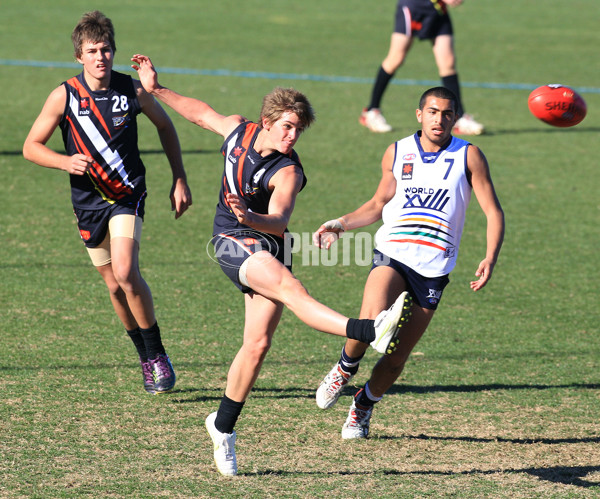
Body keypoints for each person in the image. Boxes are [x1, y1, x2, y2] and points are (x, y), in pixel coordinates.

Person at [131, 54, 413, 476]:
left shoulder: (288, 172)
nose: (293, 135)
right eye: (287, 126)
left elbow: (279, 221)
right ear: (266, 121)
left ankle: (222, 426)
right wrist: (156, 90)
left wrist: (251, 216)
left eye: (298, 129)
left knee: (258, 345)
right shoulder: (237, 130)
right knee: (292, 292)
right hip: (229, 242)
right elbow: (200, 113)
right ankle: (369, 330)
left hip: (267, 242)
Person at [313, 86, 504, 439]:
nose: (439, 119)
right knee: (369, 321)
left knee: (397, 357)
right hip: (393, 252)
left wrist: (490, 256)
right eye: (433, 111)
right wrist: (341, 223)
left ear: (455, 118)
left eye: (447, 113)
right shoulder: (397, 151)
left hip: (434, 268)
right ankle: (344, 367)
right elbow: (376, 204)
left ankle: (363, 405)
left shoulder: (469, 156)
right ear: (419, 114)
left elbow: (493, 211)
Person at [22, 11, 192, 395]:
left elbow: (166, 126)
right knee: (114, 285)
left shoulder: (132, 90)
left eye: (106, 49)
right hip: (87, 203)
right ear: (79, 56)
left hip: (127, 196)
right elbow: (30, 147)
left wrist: (179, 177)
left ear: (114, 51)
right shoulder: (64, 95)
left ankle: (158, 353)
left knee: (128, 272)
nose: (101, 57)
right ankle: (144, 357)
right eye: (92, 50)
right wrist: (64, 161)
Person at [359, 0, 484, 135]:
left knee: (448, 63)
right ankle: (372, 111)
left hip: (438, 9)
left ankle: (459, 119)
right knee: (395, 59)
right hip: (413, 7)